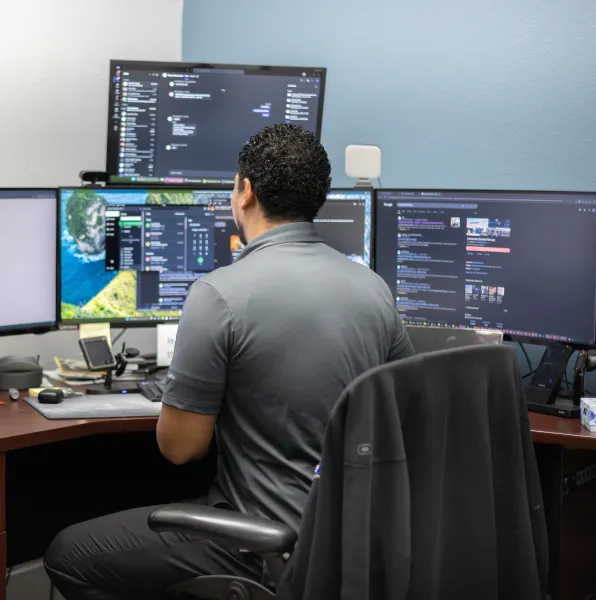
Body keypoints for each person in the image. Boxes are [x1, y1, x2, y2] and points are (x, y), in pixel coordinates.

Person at [44, 124, 415, 599]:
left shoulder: (219, 294)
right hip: (354, 537)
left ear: (246, 192)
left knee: (68, 554)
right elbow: (404, 408)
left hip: (263, 542)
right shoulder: (373, 289)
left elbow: (181, 449)